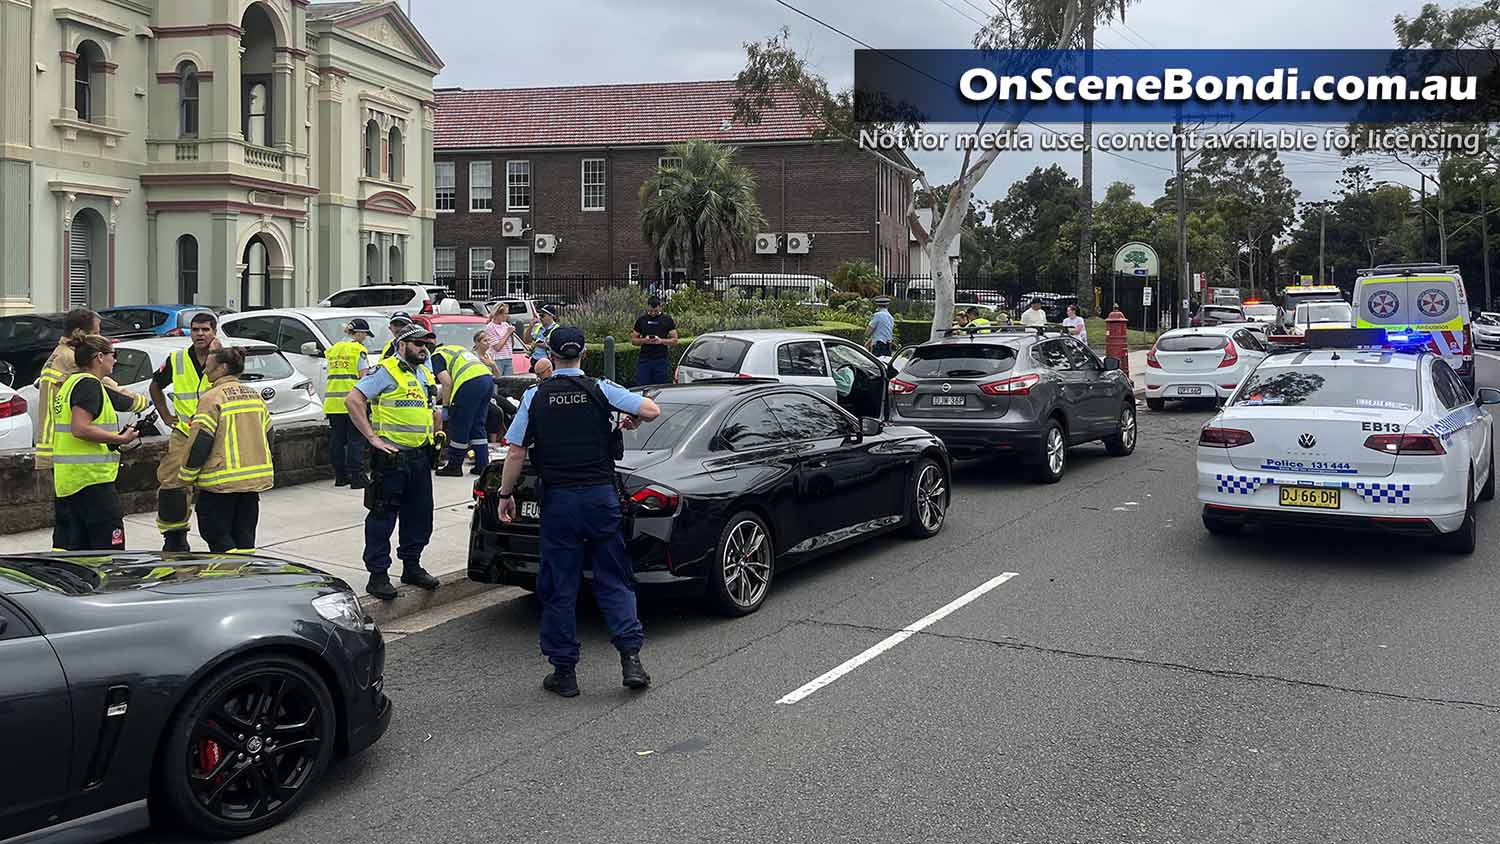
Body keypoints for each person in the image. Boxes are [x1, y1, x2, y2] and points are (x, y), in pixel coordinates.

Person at [495, 326, 662, 698]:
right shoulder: (601, 389)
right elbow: (651, 410)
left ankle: (565, 672)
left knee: (559, 585)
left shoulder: (535, 395)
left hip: (561, 502)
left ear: (550, 358)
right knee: (614, 579)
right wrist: (627, 418)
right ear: (583, 355)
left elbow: (517, 452)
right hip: (601, 496)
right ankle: (631, 658)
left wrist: (505, 494)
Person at [344, 326, 444, 600]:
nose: (424, 349)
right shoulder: (386, 371)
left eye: (427, 345)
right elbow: (353, 399)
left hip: (420, 457)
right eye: (418, 344)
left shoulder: (423, 371)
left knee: (420, 515)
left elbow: (430, 407)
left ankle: (412, 566)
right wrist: (372, 437)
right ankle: (378, 575)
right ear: (402, 345)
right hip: (392, 458)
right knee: (382, 516)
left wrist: (437, 432)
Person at [178, 347, 274, 554]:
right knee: (245, 540)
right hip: (251, 485)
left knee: (217, 536)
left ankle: (227, 578)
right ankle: (245, 578)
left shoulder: (212, 398)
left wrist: (186, 476)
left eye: (208, 367)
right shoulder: (254, 396)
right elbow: (269, 435)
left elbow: (201, 442)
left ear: (222, 368)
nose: (204, 371)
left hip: (220, 485)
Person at [51, 335, 140, 551]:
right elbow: (80, 428)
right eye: (113, 355)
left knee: (76, 550)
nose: (115, 361)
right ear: (99, 357)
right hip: (92, 481)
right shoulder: (89, 385)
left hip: (70, 481)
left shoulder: (70, 383)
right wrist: (120, 439)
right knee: (109, 551)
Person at [35, 308, 146, 469]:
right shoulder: (75, 360)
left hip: (55, 447)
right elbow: (106, 391)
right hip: (69, 452)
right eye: (96, 332)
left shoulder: (59, 355)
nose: (99, 337)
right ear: (79, 332)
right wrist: (141, 402)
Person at [149, 311, 219, 552]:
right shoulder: (177, 359)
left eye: (205, 330)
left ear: (214, 331)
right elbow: (155, 386)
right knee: (173, 484)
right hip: (184, 433)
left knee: (217, 484)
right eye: (196, 330)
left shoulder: (222, 358)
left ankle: (219, 537)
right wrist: (166, 416)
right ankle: (174, 536)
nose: (199, 334)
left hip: (217, 432)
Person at [432, 339, 494, 477]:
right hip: (487, 379)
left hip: (469, 383)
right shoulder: (455, 348)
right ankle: (482, 465)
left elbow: (447, 383)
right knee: (478, 425)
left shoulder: (435, 356)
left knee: (460, 424)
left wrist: (446, 406)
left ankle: (454, 465)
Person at [325, 319, 373, 489]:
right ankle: (357, 477)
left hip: (332, 403)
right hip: (353, 403)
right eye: (365, 334)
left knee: (337, 440)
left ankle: (340, 477)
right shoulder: (358, 350)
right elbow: (364, 376)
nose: (365, 338)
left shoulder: (333, 349)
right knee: (356, 440)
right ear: (358, 333)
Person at [631, 295, 678, 386]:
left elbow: (675, 340)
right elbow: (633, 340)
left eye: (655, 311)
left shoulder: (667, 320)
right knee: (642, 386)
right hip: (645, 360)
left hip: (660, 359)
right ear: (647, 307)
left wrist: (661, 341)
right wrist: (645, 340)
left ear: (660, 307)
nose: (653, 313)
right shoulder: (641, 320)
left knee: (660, 387)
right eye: (650, 311)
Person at [483, 303, 517, 376]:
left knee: (508, 384)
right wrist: (508, 333)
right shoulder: (490, 327)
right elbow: (497, 347)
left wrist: (512, 335)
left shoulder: (506, 325)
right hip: (498, 359)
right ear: (498, 314)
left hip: (508, 357)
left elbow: (511, 345)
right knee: (499, 383)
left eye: (507, 313)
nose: (506, 316)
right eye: (505, 313)